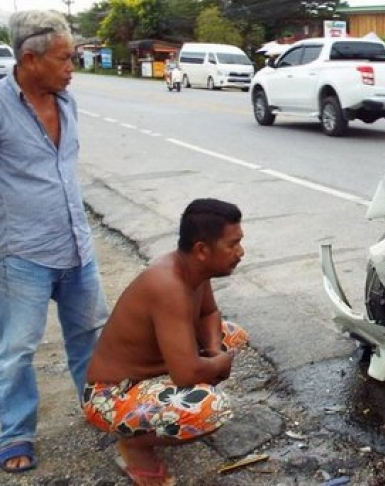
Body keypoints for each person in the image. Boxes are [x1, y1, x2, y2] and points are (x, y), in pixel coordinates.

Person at [0, 10, 109, 474]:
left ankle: (99, 411)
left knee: (91, 336)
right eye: (64, 58)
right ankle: (14, 433)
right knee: (17, 349)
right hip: (23, 252)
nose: (71, 68)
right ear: (30, 59)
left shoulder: (67, 102)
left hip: (77, 246)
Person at [83, 198, 249, 486]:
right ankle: (134, 445)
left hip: (154, 372)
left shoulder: (194, 269)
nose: (240, 252)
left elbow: (209, 313)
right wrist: (219, 363)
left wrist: (213, 350)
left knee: (232, 335)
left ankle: (160, 415)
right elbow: (186, 373)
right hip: (111, 393)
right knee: (211, 409)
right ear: (202, 250)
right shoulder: (168, 285)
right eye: (233, 244)